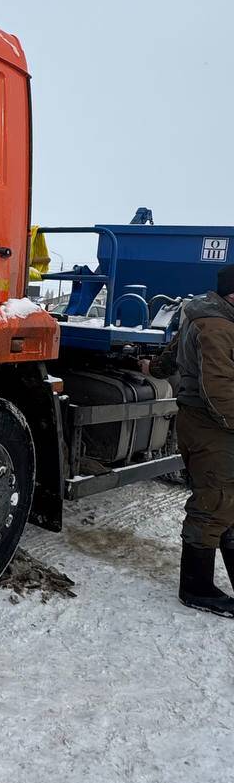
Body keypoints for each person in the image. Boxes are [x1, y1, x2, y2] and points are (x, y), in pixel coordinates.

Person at [174, 264, 234, 617]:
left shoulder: (204, 315)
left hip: (213, 424)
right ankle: (196, 588)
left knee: (228, 501)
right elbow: (219, 392)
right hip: (211, 427)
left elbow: (170, 358)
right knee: (214, 501)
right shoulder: (216, 326)